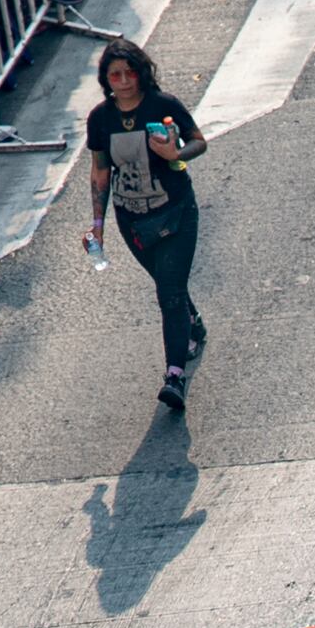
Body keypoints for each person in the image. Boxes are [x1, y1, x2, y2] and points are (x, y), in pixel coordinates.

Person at [85, 39, 210, 408]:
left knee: (169, 293)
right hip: (132, 220)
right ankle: (192, 321)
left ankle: (174, 375)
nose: (124, 81)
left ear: (141, 72)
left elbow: (199, 142)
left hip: (176, 211)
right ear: (106, 79)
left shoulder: (163, 105)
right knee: (168, 283)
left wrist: (176, 153)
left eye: (130, 73)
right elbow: (100, 172)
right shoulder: (100, 118)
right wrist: (98, 224)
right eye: (115, 75)